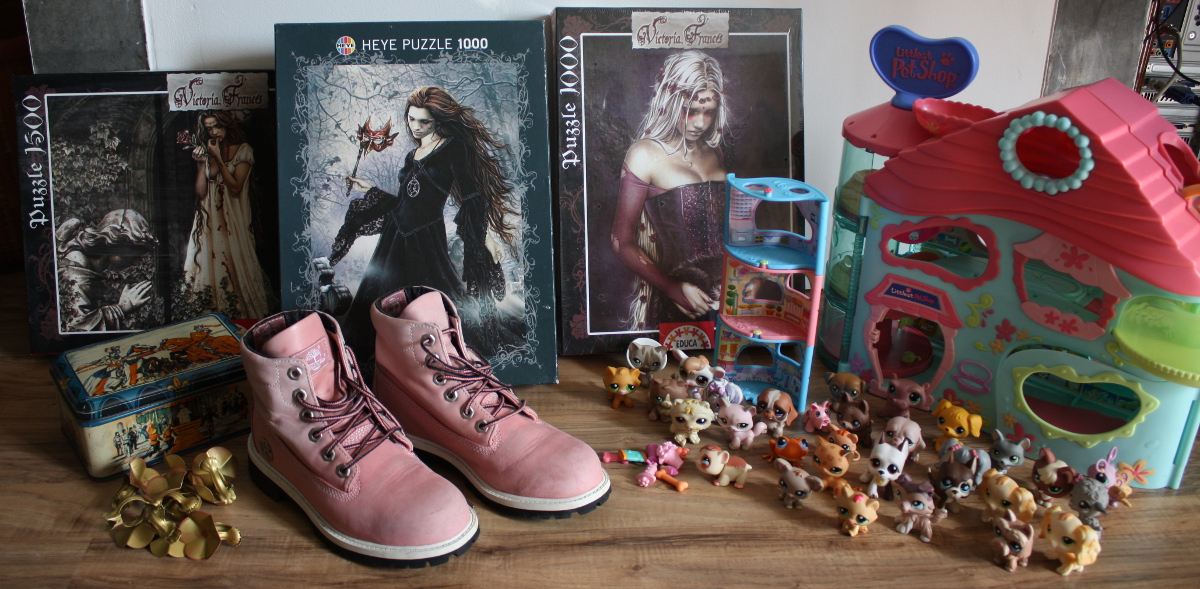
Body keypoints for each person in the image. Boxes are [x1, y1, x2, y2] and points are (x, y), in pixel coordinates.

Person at [333, 86, 514, 357]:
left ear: (438, 120)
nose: (415, 126)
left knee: (436, 299)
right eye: (411, 119)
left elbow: (472, 196)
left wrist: (486, 235)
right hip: (394, 239)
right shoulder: (412, 155)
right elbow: (404, 203)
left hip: (426, 239)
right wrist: (369, 189)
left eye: (424, 121)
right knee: (380, 301)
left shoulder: (454, 148)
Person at [611, 50, 729, 330]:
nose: (700, 123)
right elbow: (620, 240)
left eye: (709, 112)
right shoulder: (644, 154)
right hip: (678, 299)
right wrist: (671, 287)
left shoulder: (715, 152)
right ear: (670, 102)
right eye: (691, 110)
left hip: (728, 295)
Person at [181, 111, 270, 319]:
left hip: (233, 219)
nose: (213, 132)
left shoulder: (243, 150)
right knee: (209, 262)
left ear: (227, 126)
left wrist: (218, 157)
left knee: (234, 262)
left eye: (216, 126)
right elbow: (201, 192)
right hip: (211, 219)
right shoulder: (209, 151)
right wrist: (201, 164)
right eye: (209, 128)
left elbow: (235, 187)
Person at [56, 209, 158, 332]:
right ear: (117, 243)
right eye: (135, 255)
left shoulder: (91, 266)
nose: (136, 263)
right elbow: (76, 326)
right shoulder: (76, 265)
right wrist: (122, 308)